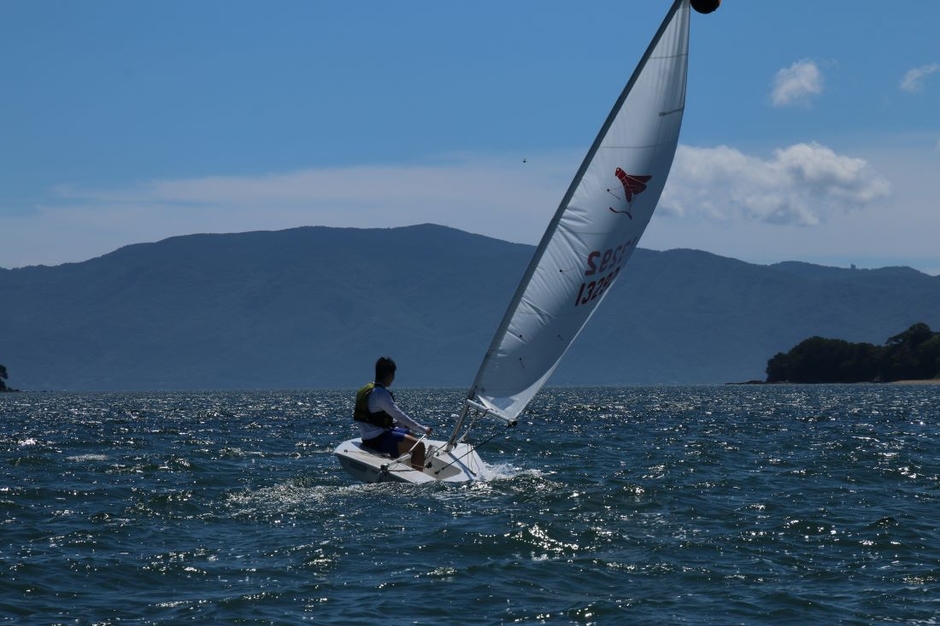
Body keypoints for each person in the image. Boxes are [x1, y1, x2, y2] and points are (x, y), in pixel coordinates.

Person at [354, 357, 432, 471]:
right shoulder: (381, 394)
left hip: (368, 436)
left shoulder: (368, 390)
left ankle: (406, 464)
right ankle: (419, 478)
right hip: (377, 440)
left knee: (408, 432)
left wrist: (403, 426)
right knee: (419, 446)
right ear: (390, 376)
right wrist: (423, 429)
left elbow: (379, 418)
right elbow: (399, 416)